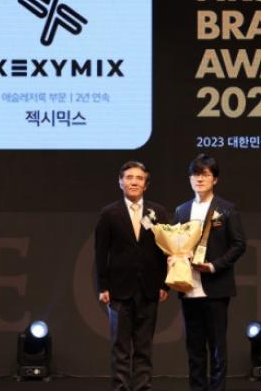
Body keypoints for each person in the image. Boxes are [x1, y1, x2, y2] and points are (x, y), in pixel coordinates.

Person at [173, 154, 247, 391]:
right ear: (189, 179)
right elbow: (174, 243)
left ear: (215, 179)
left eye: (205, 174)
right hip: (188, 286)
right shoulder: (181, 210)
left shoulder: (226, 209)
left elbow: (239, 244)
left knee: (217, 346)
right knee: (194, 347)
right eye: (195, 174)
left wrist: (214, 265)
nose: (200, 179)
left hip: (216, 286)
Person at [94, 160, 170, 391]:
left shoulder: (158, 212)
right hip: (118, 289)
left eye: (139, 178)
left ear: (146, 184)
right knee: (120, 346)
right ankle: (120, 387)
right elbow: (101, 252)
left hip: (149, 288)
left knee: (144, 346)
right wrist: (102, 287)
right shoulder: (109, 213)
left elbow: (166, 250)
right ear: (120, 182)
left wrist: (165, 284)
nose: (134, 182)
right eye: (129, 177)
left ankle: (143, 387)